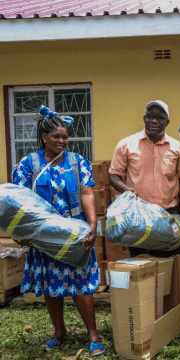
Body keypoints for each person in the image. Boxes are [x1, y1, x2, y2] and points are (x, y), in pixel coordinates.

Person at [11, 106, 104, 356]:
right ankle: (59, 332)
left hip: (74, 234)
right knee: (52, 284)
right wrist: (19, 233)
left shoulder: (77, 162)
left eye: (65, 137)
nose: (62, 141)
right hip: (42, 236)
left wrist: (93, 225)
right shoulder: (28, 164)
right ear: (44, 137)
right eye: (56, 137)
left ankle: (93, 334)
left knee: (81, 284)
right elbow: (19, 200)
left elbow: (86, 193)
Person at [109, 100, 180, 257]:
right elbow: (114, 175)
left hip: (168, 214)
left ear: (167, 122)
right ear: (144, 118)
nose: (154, 121)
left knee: (169, 260)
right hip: (137, 215)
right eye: (150, 116)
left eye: (159, 118)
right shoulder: (126, 144)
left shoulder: (177, 148)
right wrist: (127, 190)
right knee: (141, 263)